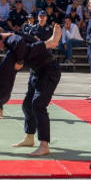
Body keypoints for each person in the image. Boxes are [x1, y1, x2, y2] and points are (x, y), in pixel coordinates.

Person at [10, 25, 64, 156]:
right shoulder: (13, 41)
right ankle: (29, 138)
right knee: (27, 105)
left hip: (49, 71)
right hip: (36, 72)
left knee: (38, 105)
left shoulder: (22, 44)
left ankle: (44, 145)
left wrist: (54, 38)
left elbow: (50, 43)